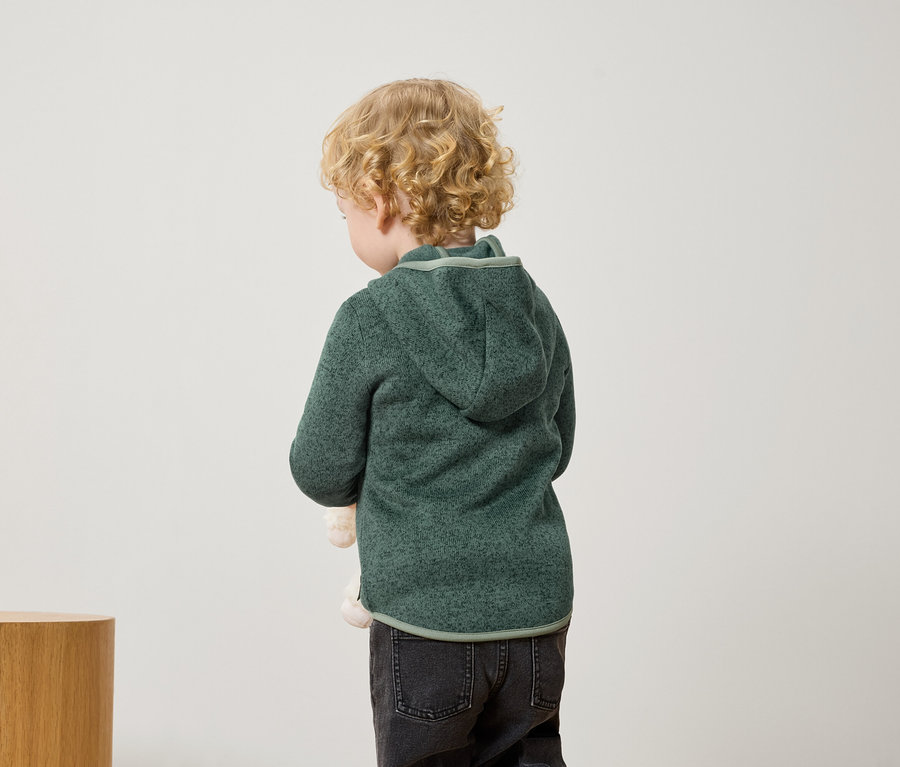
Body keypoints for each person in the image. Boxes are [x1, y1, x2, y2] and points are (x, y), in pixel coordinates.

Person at [288, 78, 576, 767]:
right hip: (536, 609)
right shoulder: (530, 305)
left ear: (381, 199)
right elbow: (557, 441)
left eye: (346, 210)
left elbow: (320, 466)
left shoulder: (371, 316)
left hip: (426, 616)